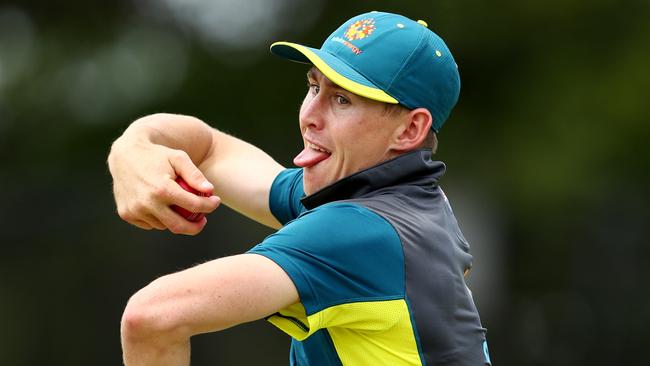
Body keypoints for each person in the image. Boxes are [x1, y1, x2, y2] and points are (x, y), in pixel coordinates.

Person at [108, 11, 491, 366]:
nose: (309, 115)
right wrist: (134, 146)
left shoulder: (361, 229)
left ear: (409, 130)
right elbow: (210, 149)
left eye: (342, 99)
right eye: (313, 86)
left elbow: (153, 318)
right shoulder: (391, 202)